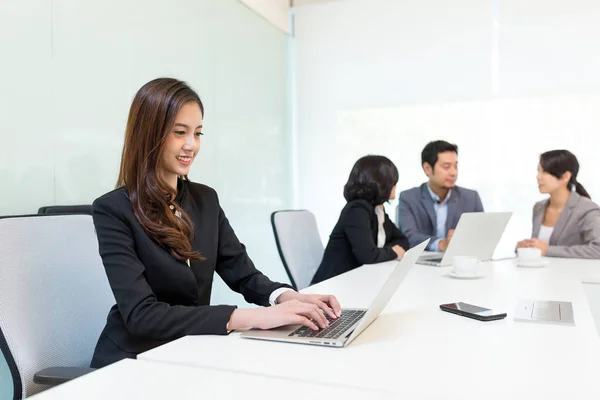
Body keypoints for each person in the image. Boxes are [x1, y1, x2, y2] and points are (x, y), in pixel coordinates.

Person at [90, 78, 341, 368]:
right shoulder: (113, 210)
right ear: (150, 135)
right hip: (131, 361)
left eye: (197, 133)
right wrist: (248, 317)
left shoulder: (205, 199)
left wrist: (287, 297)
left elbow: (242, 273)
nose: (191, 145)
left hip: (191, 352)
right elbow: (141, 315)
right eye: (179, 132)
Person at [311, 155, 409, 285]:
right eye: (393, 181)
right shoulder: (357, 210)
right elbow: (368, 255)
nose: (395, 186)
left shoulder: (377, 210)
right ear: (380, 182)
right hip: (333, 285)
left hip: (357, 280)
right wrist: (393, 251)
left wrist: (384, 251)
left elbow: (402, 240)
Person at [397, 140, 483, 250]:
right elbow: (408, 236)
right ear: (427, 168)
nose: (453, 173)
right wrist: (441, 244)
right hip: (422, 263)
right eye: (446, 167)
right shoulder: (409, 198)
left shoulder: (471, 197)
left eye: (455, 166)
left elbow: (481, 235)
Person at [516, 150, 600, 259]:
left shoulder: (586, 209)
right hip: (541, 274)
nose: (538, 177)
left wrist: (548, 250)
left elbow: (598, 249)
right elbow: (540, 251)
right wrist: (526, 247)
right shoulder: (539, 207)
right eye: (538, 171)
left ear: (565, 176)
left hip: (573, 274)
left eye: (544, 172)